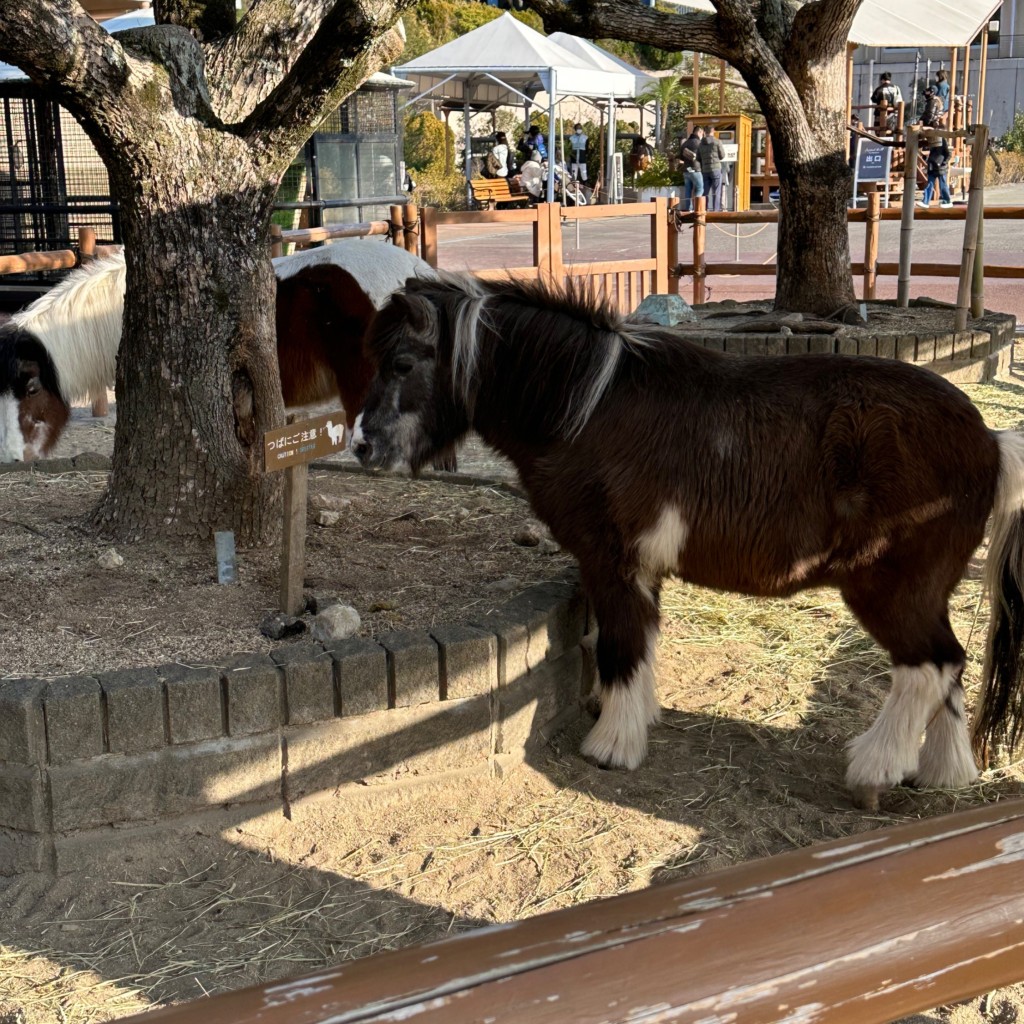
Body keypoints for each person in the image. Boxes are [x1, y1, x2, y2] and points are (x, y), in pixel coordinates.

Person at [919, 136, 953, 209]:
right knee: (929, 184)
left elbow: (949, 153)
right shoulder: (932, 140)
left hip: (940, 166)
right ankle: (925, 201)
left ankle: (947, 200)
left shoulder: (943, 140)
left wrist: (944, 162)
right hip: (932, 165)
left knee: (942, 185)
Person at [697, 125, 726, 211]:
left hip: (705, 170)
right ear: (713, 131)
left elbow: (698, 158)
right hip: (716, 169)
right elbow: (722, 156)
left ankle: (704, 209)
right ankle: (715, 211)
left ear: (705, 132)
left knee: (705, 192)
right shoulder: (717, 142)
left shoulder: (700, 144)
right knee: (716, 191)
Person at [678, 141, 703, 211]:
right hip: (695, 170)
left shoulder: (685, 144)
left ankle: (688, 208)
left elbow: (681, 157)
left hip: (686, 170)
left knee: (688, 189)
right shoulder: (698, 143)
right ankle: (697, 208)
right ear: (700, 132)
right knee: (700, 188)